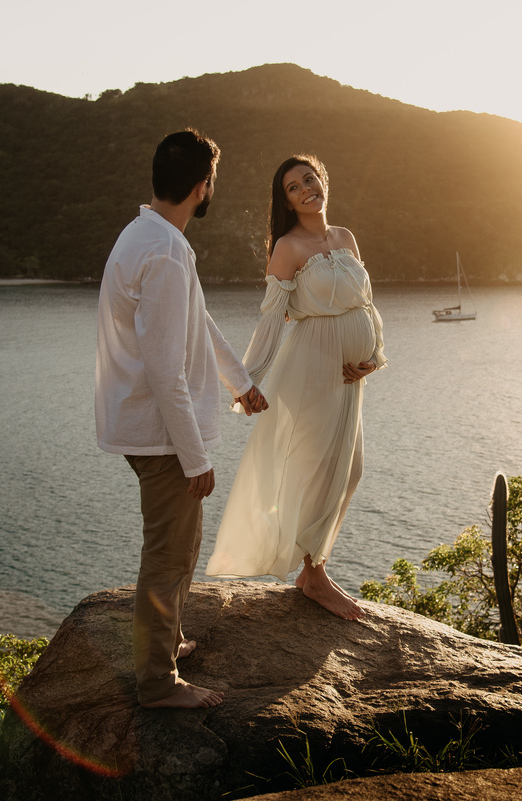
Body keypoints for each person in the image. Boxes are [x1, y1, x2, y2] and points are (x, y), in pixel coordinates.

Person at [95, 129, 268, 709]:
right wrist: (197, 459)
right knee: (169, 556)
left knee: (180, 548)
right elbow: (166, 369)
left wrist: (239, 381)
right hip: (162, 434)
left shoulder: (146, 234)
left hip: (147, 424)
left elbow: (196, 320)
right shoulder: (166, 251)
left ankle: (165, 644)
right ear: (203, 187)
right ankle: (157, 683)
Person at [206, 154, 386, 620]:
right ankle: (316, 578)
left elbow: (366, 303)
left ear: (323, 180)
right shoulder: (287, 248)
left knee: (351, 471)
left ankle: (312, 570)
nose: (305, 188)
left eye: (310, 179)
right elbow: (270, 323)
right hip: (311, 369)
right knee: (318, 471)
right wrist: (246, 383)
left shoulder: (344, 238)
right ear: (285, 200)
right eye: (293, 187)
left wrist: (374, 357)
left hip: (348, 377)